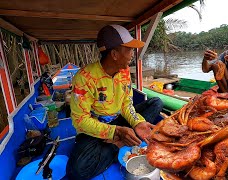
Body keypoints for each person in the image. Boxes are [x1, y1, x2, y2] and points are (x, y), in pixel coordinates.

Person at [66, 24, 163, 179]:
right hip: (94, 130)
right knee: (78, 170)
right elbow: (80, 121)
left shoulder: (124, 72)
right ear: (115, 54)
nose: (132, 54)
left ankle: (125, 138)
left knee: (156, 102)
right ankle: (118, 144)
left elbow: (126, 103)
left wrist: (137, 122)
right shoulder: (84, 78)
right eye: (129, 49)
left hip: (118, 120)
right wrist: (115, 132)